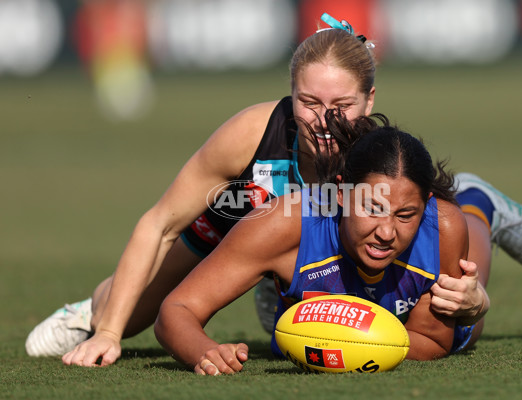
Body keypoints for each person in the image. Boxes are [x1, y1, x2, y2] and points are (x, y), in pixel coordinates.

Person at [25, 14, 522, 367]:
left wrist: (475, 299)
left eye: (342, 105)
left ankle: (479, 200)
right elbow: (161, 222)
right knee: (133, 306)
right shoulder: (253, 133)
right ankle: (87, 312)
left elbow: (408, 217)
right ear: (290, 92)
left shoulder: (374, 155)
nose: (324, 120)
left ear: (369, 100)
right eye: (307, 101)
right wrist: (111, 331)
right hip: (242, 217)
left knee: (452, 260)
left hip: (324, 235)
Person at [154, 113, 477, 374]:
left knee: (475, 299)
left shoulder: (442, 227)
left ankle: (482, 202)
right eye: (371, 208)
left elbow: (433, 340)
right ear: (340, 194)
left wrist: (345, 344)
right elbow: (176, 309)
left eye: (406, 214)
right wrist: (204, 351)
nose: (387, 232)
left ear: (426, 204)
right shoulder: (284, 223)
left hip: (467, 234)